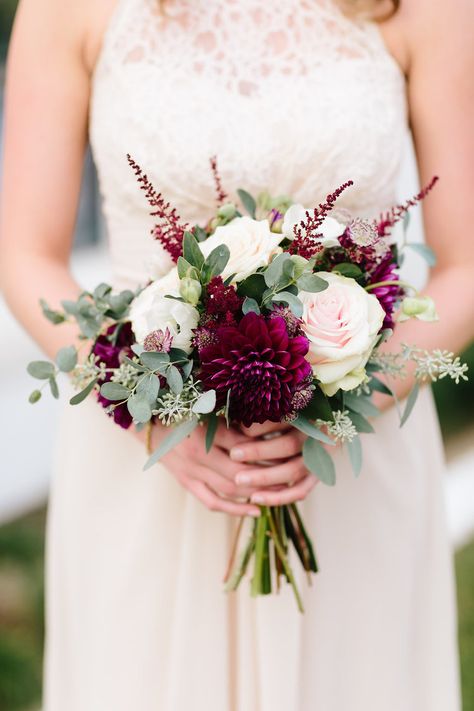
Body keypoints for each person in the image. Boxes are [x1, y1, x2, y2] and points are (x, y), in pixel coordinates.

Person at [1, 0, 473, 709]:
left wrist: (334, 402)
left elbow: (466, 264)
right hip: (147, 466)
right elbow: (23, 254)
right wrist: (150, 409)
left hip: (348, 471)